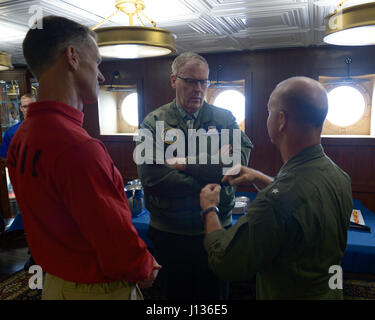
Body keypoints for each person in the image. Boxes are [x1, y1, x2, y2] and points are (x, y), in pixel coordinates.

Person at [7, 15, 160, 300]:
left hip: (54, 283)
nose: (101, 76)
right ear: (72, 57)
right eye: (98, 62)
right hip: (96, 290)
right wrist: (145, 267)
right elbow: (115, 245)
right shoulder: (77, 147)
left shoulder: (22, 136)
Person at [199, 76, 353, 299]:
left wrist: (209, 209)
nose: (268, 118)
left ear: (281, 120)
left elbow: (225, 262)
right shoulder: (339, 176)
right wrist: (259, 177)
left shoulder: (275, 202)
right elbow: (304, 202)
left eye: (269, 112)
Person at [136, 52, 253, 300]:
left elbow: (236, 166)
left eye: (204, 82)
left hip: (216, 228)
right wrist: (212, 174)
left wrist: (186, 165)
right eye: (190, 81)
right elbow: (153, 179)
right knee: (172, 298)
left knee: (215, 297)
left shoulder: (225, 119)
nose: (198, 88)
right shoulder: (153, 122)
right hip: (170, 232)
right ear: (173, 80)